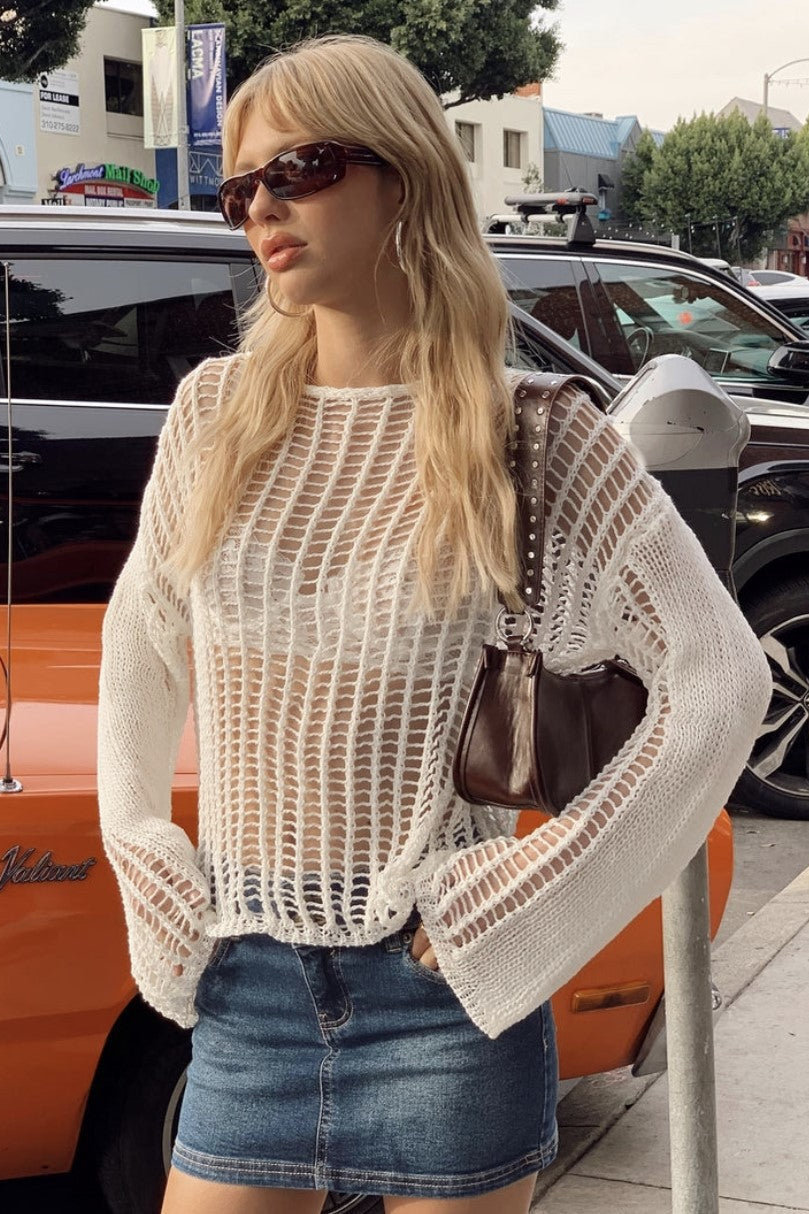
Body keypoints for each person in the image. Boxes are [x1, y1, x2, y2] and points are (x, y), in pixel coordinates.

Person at [96, 33, 772, 1214]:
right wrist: (141, 847)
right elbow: (140, 644)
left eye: (299, 169)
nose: (263, 207)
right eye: (241, 188)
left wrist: (536, 893)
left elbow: (719, 679)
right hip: (245, 984)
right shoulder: (215, 415)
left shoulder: (532, 434)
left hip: (446, 1003)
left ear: (401, 175)